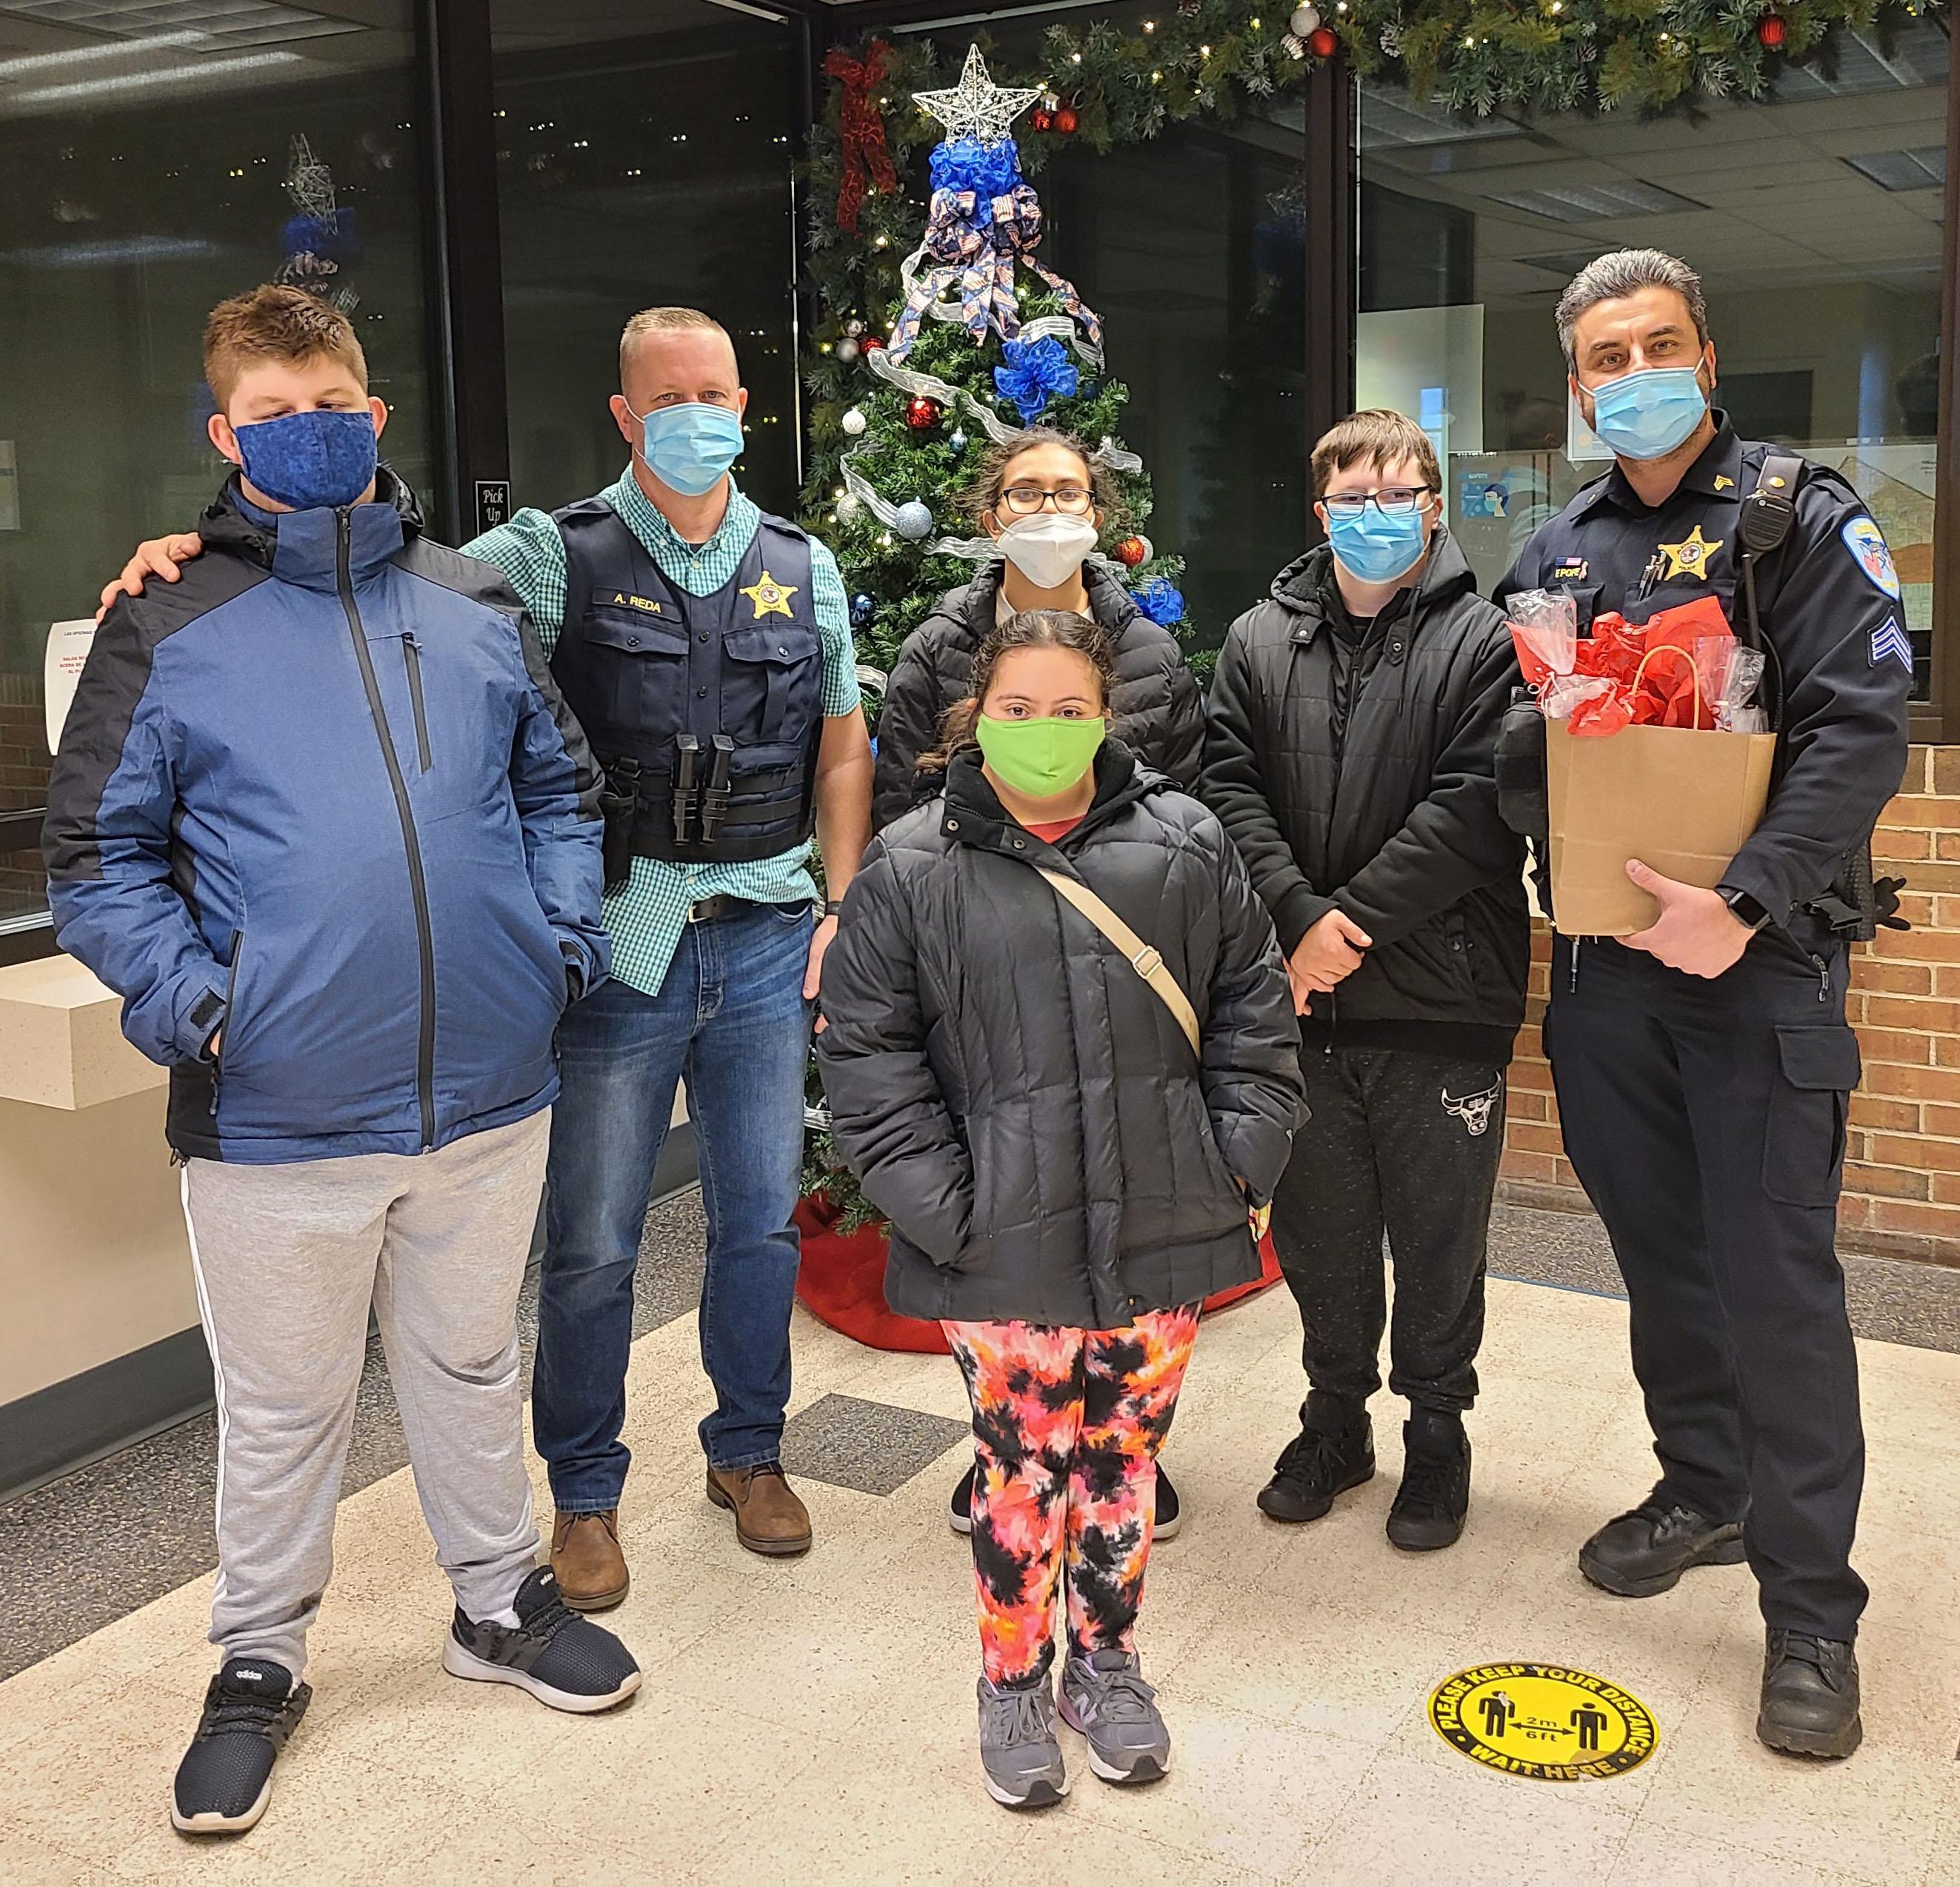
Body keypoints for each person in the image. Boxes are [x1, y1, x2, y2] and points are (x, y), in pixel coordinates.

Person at [101, 306, 876, 1605]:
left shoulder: (802, 565)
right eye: (667, 399)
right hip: (622, 944)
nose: (696, 418)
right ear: (625, 415)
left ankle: (749, 1452)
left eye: (716, 396)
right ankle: (585, 1493)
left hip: (762, 928)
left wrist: (840, 906)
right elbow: (369, 587)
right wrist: (194, 550)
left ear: (746, 408)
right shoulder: (543, 555)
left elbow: (842, 742)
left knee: (756, 1222)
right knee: (593, 1242)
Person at [52, 285, 639, 1837]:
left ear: (375, 415)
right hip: (277, 1110)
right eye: (273, 413)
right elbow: (97, 856)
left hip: (488, 1094)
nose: (307, 431)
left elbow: (562, 796)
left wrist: (556, 950)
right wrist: (206, 1007)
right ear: (224, 433)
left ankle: (496, 1603)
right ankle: (259, 1656)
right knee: (284, 1402)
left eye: (331, 405)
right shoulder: (164, 622)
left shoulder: (474, 601)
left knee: (470, 1361)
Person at [1496, 248, 1911, 1761]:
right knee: (1662, 1257)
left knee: (1775, 1281)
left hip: (1758, 965)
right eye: (1607, 357)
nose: (1635, 374)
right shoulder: (1557, 549)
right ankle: (1705, 1484)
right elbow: (1518, 750)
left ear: (1707, 356)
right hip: (1609, 974)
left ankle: (1811, 1609)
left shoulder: (1797, 516)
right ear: (1578, 385)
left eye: (1658, 344)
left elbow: (1860, 729)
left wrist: (1740, 902)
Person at [817, 610, 1306, 1808]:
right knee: (1021, 1469)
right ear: (975, 719)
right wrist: (947, 1211)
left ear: (1105, 717)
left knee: (1122, 1464)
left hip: (1164, 1218)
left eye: (1069, 709)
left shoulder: (1184, 845)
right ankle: (1011, 1681)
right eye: (1018, 709)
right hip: (996, 1234)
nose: (1044, 731)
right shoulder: (911, 866)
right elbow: (868, 1061)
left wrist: (1233, 1169)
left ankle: (1108, 1667)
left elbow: (1252, 1016)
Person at [870, 424, 1205, 1540]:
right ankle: (1004, 1446)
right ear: (991, 514)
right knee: (1000, 1213)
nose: (1048, 510)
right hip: (981, 981)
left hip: (1121, 972)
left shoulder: (1147, 652)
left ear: (1098, 514)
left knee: (1124, 1206)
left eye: (1068, 492)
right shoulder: (938, 647)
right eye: (1027, 492)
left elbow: (1191, 818)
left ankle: (1127, 1452)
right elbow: (897, 802)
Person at [1203, 410, 1527, 1553]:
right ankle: (1333, 1420)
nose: (1375, 514)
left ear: (1431, 507)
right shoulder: (1256, 639)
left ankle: (1436, 1431)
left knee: (1440, 1234)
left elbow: (1479, 807)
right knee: (1320, 1230)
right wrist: (1298, 923)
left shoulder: (1487, 639)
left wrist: (1346, 925)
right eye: (1353, 497)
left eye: (1397, 494)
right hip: (1296, 998)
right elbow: (1227, 785)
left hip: (1443, 992)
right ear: (1320, 511)